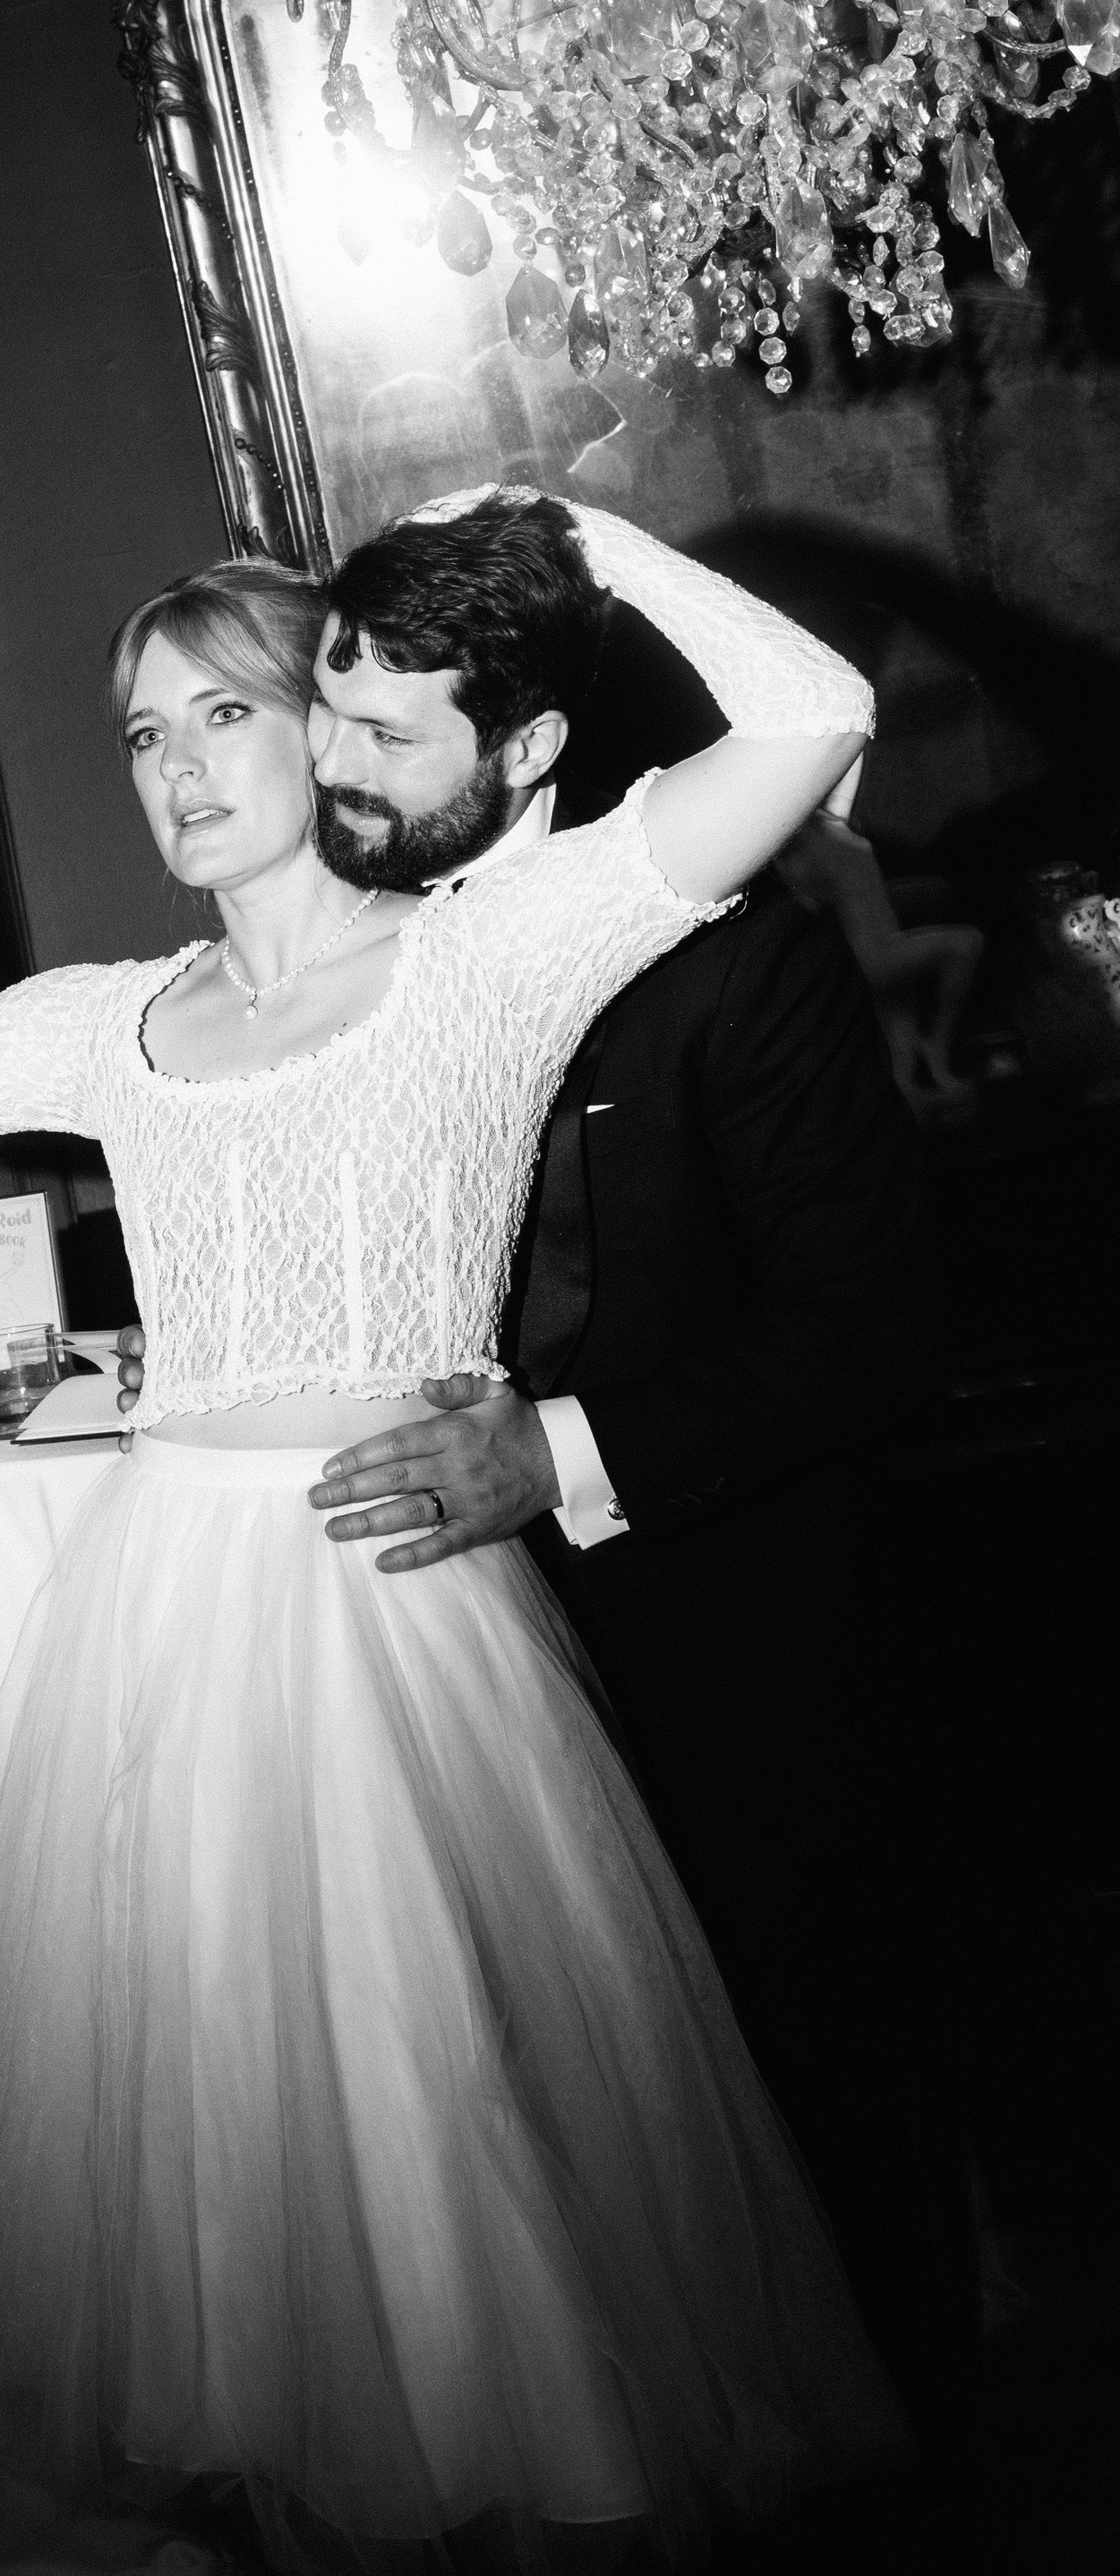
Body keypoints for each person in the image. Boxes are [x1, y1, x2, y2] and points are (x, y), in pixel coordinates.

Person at [0, 493, 902, 2576]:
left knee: (444, 2188)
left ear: (328, 728)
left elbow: (814, 712)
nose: (172, 765)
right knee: (234, 2219)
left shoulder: (494, 950)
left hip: (386, 1628)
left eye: (218, 714)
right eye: (136, 732)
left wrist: (567, 543)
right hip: (159, 1627)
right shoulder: (109, 1019)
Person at [287, 559, 978, 2461]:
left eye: (378, 731)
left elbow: (875, 1328)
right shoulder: (345, 964)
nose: (320, 765)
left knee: (810, 2121)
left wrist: (560, 1458)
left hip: (726, 1644)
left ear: (524, 750)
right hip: (450, 1656)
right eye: (322, 713)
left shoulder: (721, 952)